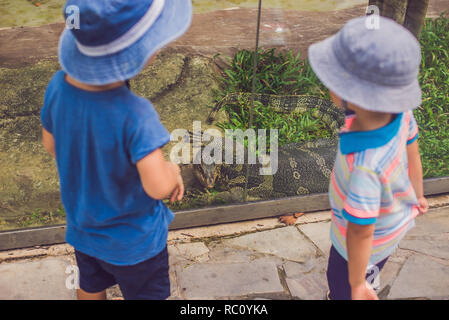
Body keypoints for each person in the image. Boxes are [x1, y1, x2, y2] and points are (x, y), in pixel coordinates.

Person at [40, 0, 192, 300]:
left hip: (84, 229)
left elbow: (51, 145)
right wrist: (173, 172)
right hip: (134, 245)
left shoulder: (57, 86)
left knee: (91, 285)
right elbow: (158, 186)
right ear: (136, 52)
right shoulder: (136, 115)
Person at [308, 15, 429, 300]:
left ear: (351, 93)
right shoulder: (401, 114)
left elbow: (360, 232)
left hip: (364, 243)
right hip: (391, 221)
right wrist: (419, 194)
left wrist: (355, 283)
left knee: (342, 284)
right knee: (368, 272)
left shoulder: (365, 166)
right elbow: (414, 155)